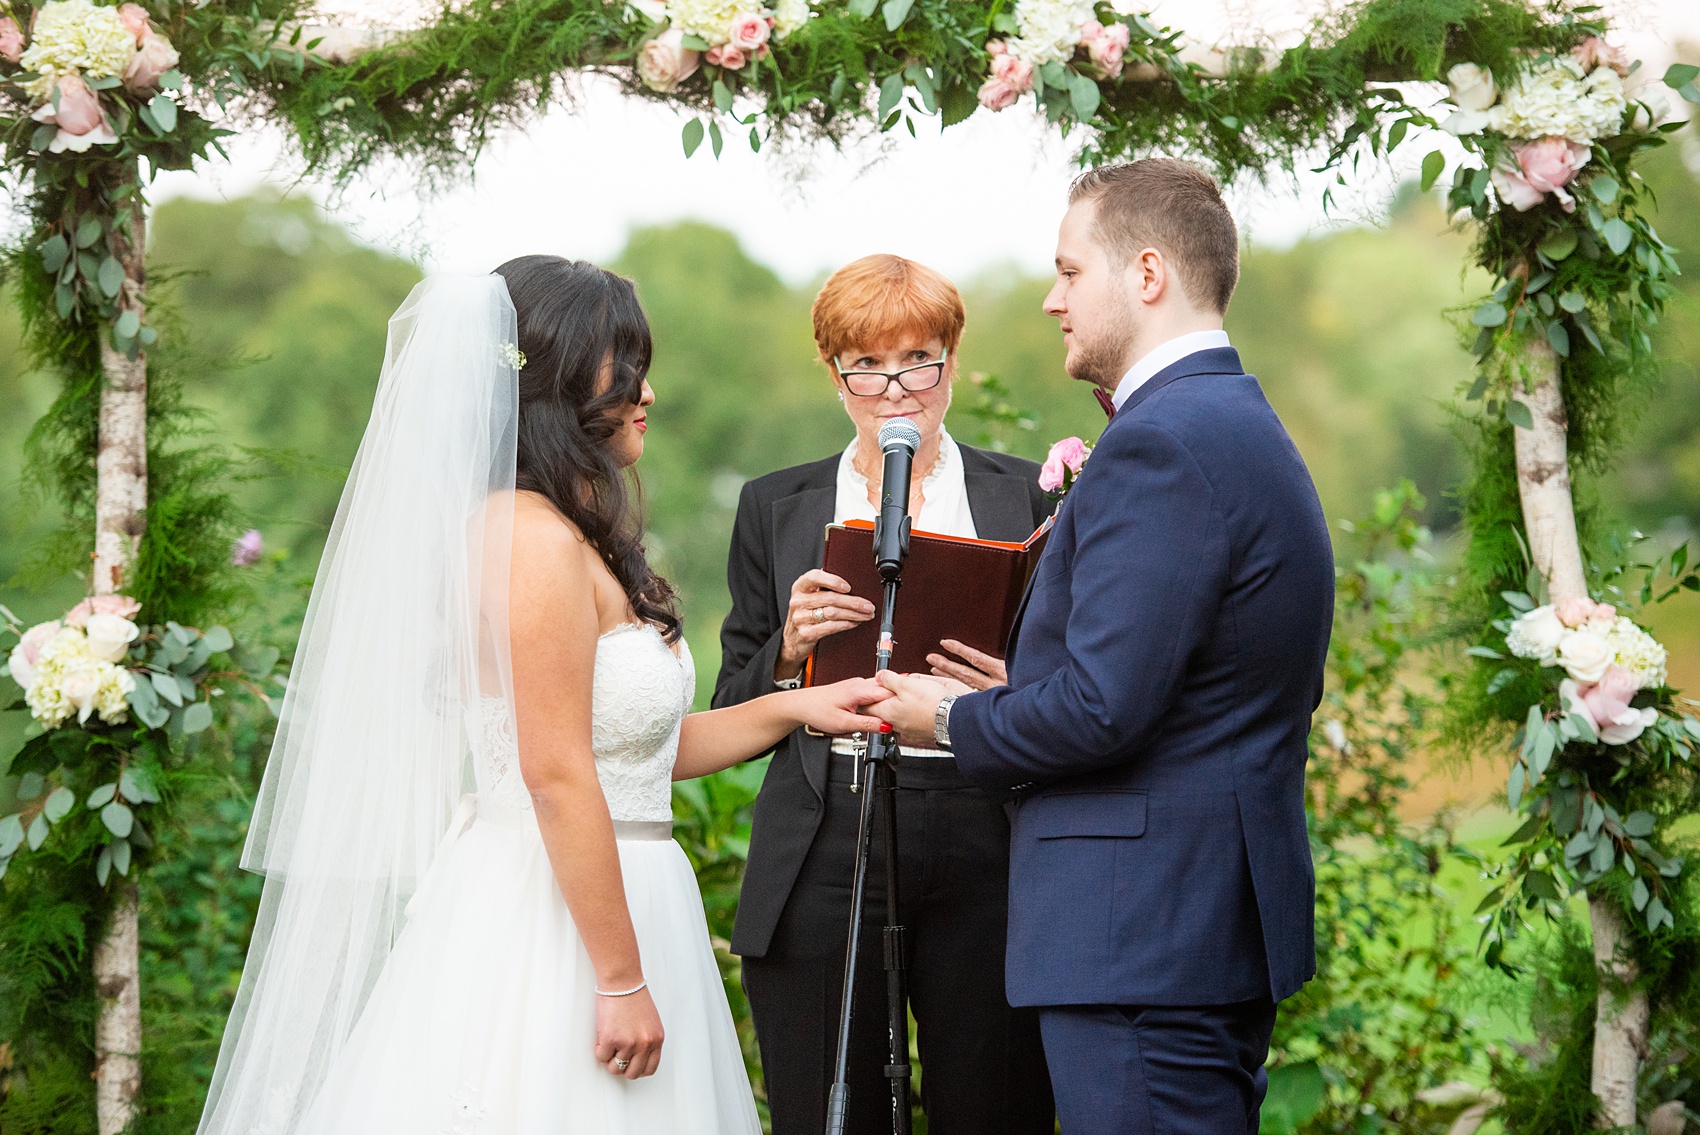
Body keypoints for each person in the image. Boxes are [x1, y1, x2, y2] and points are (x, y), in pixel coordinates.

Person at [197, 258, 893, 1135]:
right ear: (559, 381)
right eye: (625, 365)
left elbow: (637, 752)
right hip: (554, 923)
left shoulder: (572, 532)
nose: (649, 390)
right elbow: (558, 771)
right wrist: (619, 978)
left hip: (627, 890)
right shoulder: (527, 538)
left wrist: (794, 706)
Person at [871, 159, 1335, 1134]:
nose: (1050, 300)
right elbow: (1211, 677)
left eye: (1069, 271)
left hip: (1143, 933)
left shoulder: (1160, 443)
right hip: (1186, 923)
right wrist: (1024, 689)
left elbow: (1102, 709)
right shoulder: (1235, 423)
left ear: (1148, 273)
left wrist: (946, 714)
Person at [715, 254, 1056, 1135]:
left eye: (920, 358)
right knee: (831, 1105)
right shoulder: (775, 505)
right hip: (830, 820)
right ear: (834, 374)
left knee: (997, 1104)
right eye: (867, 363)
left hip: (984, 823)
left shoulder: (1029, 493)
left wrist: (1014, 690)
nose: (895, 387)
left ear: (953, 360)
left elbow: (1077, 679)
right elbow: (730, 702)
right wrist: (789, 652)